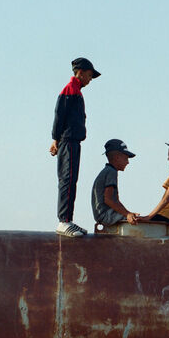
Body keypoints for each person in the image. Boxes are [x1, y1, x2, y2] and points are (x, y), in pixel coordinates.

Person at [49, 57, 101, 238]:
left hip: (73, 142)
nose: (90, 79)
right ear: (80, 72)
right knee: (67, 179)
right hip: (68, 141)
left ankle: (68, 219)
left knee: (71, 180)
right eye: (89, 75)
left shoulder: (77, 91)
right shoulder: (70, 90)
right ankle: (63, 221)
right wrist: (55, 139)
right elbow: (59, 115)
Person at [91, 139, 139, 229]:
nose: (128, 162)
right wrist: (127, 214)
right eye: (126, 158)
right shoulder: (111, 172)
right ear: (117, 157)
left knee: (132, 217)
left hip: (104, 214)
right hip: (105, 215)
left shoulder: (108, 171)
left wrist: (128, 213)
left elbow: (116, 201)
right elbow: (108, 199)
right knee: (138, 221)